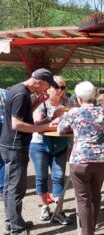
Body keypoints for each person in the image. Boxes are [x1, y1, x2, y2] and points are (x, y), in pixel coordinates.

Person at [0, 68, 59, 235]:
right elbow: (17, 124)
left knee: (11, 188)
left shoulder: (20, 90)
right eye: (48, 85)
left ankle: (12, 223)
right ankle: (16, 229)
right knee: (15, 190)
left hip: (9, 144)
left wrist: (38, 101)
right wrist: (44, 127)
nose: (48, 89)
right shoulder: (21, 94)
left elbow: (22, 114)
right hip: (14, 146)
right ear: (39, 81)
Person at [58, 81, 104, 235]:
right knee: (96, 196)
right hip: (101, 159)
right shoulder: (103, 111)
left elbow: (61, 130)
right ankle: (91, 231)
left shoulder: (73, 112)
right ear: (94, 95)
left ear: (79, 98)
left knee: (83, 200)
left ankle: (86, 233)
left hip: (80, 161)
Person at [29, 76, 71, 225]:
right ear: (49, 87)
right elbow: (37, 124)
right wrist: (53, 117)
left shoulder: (68, 102)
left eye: (63, 87)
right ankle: (45, 206)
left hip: (60, 144)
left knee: (59, 178)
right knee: (41, 178)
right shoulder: (42, 102)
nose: (60, 90)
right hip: (39, 145)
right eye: (56, 86)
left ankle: (58, 212)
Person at [0, 88, 8, 201]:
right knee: (2, 159)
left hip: (3, 126)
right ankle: (2, 188)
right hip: (3, 126)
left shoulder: (4, 92)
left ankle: (2, 188)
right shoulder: (4, 92)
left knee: (2, 159)